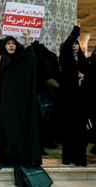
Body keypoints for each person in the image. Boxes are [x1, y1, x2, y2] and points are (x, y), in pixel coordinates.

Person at [0, 31, 42, 171]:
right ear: (4, 46)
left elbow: (32, 60)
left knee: (20, 130)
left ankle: (20, 158)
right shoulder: (0, 59)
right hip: (4, 102)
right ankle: (3, 160)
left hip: (20, 103)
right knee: (4, 130)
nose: (11, 46)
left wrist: (28, 42)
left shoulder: (21, 58)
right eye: (8, 43)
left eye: (13, 43)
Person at [57, 19, 90, 166]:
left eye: (77, 44)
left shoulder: (84, 61)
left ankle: (80, 159)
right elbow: (68, 44)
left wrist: (85, 76)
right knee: (69, 131)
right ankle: (68, 157)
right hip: (68, 101)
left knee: (81, 132)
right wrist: (76, 30)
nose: (75, 46)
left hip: (82, 103)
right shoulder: (66, 59)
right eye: (72, 44)